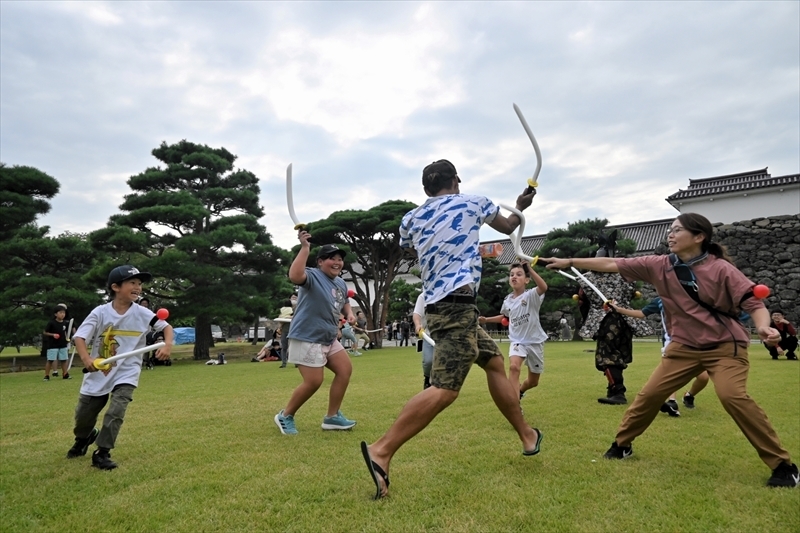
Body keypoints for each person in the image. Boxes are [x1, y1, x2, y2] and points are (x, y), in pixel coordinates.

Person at [543, 212, 798, 488]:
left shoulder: (721, 269)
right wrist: (568, 262)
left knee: (731, 395)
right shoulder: (659, 265)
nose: (671, 234)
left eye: (678, 230)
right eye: (670, 230)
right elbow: (612, 262)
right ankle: (622, 444)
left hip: (724, 346)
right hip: (684, 347)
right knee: (651, 394)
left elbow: (753, 303)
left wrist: (763, 327)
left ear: (699, 237)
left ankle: (783, 465)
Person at [360, 159, 541, 500]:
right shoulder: (473, 201)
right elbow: (508, 226)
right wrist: (520, 206)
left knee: (495, 363)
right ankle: (381, 450)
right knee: (445, 388)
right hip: (456, 305)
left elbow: (410, 246)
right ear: (455, 180)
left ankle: (527, 435)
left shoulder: (410, 218)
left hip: (444, 307)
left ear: (426, 188)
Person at [66, 265, 173, 470]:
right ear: (115, 287)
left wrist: (167, 344)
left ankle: (102, 452)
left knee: (116, 411)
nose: (138, 287)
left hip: (127, 371)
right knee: (83, 417)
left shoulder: (142, 313)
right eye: (132, 282)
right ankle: (84, 438)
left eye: (139, 284)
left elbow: (166, 327)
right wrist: (87, 359)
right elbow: (79, 337)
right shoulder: (100, 312)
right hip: (100, 371)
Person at [274, 239, 357, 435]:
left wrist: (349, 313)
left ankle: (332, 417)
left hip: (328, 337)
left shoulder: (340, 282)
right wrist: (305, 248)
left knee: (345, 370)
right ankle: (285, 415)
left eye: (339, 259)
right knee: (313, 382)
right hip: (307, 336)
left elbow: (343, 300)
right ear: (320, 262)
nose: (337, 262)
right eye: (331, 259)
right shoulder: (312, 276)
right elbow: (295, 275)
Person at [609, 297, 709, 417]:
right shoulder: (660, 300)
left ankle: (689, 396)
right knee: (672, 373)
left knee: (703, 378)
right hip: (671, 343)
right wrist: (619, 309)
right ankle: (672, 402)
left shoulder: (691, 295)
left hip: (694, 344)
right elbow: (641, 313)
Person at [479, 262, 548, 403]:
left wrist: (530, 269)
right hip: (517, 341)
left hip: (534, 341)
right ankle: (514, 405)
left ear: (527, 280)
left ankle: (521, 390)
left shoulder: (532, 295)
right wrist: (486, 320)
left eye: (519, 274)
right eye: (511, 275)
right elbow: (505, 318)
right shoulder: (508, 301)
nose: (514, 277)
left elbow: (543, 287)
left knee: (533, 381)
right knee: (514, 367)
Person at [44, 304, 72, 381]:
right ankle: (46, 375)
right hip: (53, 345)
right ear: (56, 314)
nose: (62, 314)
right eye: (60, 313)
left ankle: (65, 374)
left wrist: (68, 338)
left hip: (63, 344)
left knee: (64, 359)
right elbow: (45, 332)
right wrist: (53, 335)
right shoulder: (51, 323)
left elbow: (67, 332)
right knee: (50, 360)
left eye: (64, 313)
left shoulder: (65, 323)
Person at [412, 292, 434, 389]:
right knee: (428, 361)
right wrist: (418, 324)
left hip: (445, 335)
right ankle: (427, 378)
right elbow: (417, 313)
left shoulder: (448, 292)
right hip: (428, 335)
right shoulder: (423, 296)